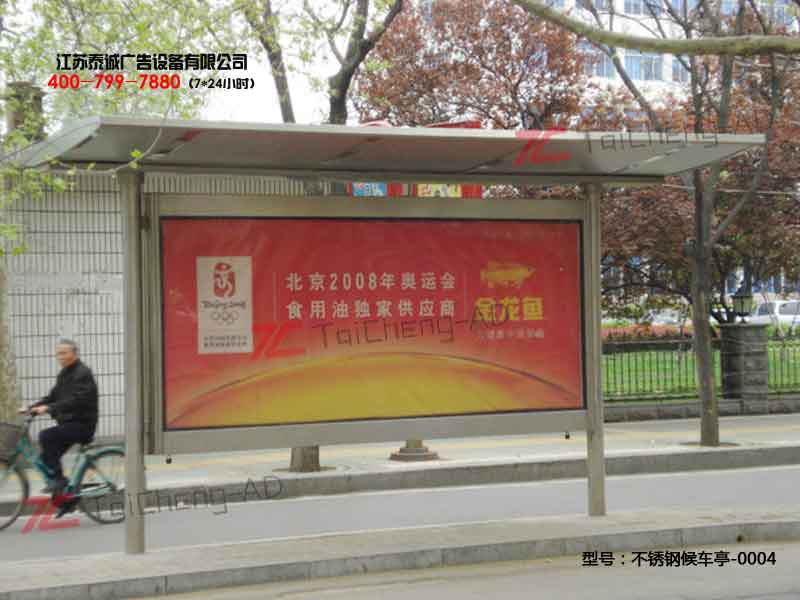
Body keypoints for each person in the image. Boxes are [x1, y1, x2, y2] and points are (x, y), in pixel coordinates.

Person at [27, 339, 98, 495]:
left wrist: (49, 408)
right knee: (47, 457)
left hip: (82, 424)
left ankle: (60, 481)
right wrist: (31, 408)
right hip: (69, 424)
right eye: (58, 353)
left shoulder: (82, 373)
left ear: (74, 354)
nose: (60, 357)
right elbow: (52, 397)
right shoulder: (64, 374)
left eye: (64, 353)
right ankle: (66, 495)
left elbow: (77, 400)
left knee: (46, 436)